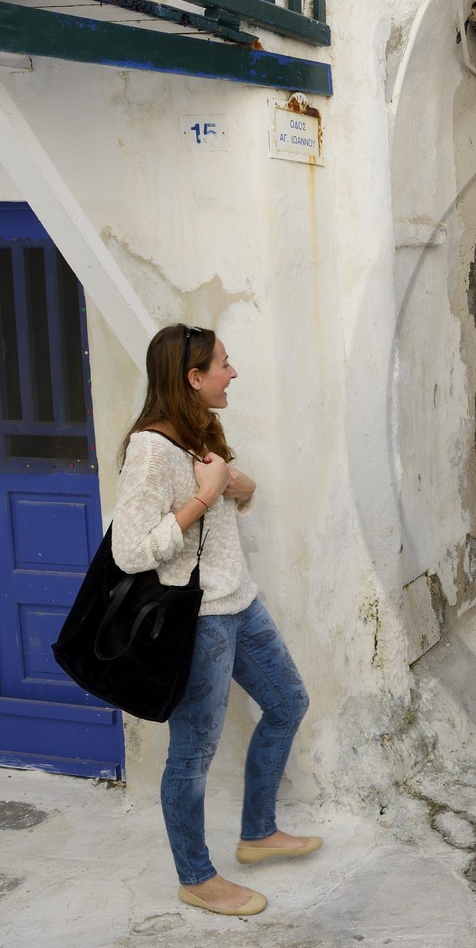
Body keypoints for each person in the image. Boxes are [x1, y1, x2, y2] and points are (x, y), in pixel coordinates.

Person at [112, 324, 318, 916]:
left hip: (238, 602)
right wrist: (204, 496)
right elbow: (130, 550)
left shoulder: (198, 429)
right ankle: (196, 877)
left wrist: (236, 486)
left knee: (287, 703)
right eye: (223, 365)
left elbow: (224, 502)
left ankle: (257, 833)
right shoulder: (152, 448)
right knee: (193, 754)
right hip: (196, 619)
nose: (233, 373)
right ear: (192, 377)